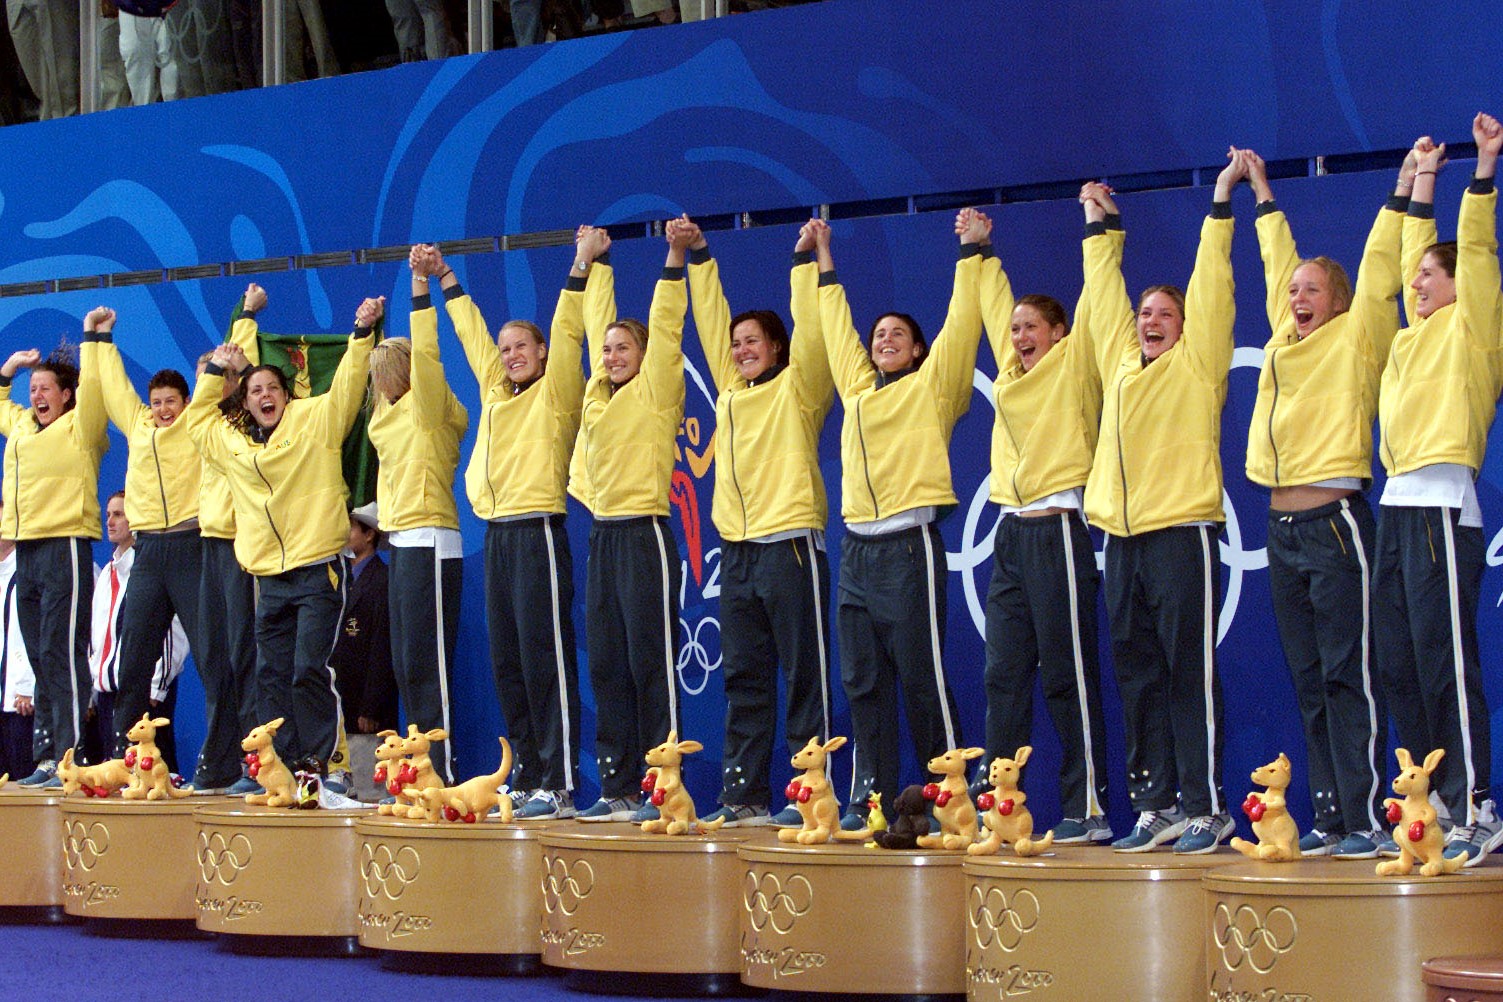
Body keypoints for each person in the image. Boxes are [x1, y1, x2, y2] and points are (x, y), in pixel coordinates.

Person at [1243, 149, 1407, 859]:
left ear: (1337, 301)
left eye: (1312, 290)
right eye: (1293, 292)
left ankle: (1369, 817)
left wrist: (1403, 194)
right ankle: (1334, 817)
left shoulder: (1355, 336)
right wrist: (1260, 195)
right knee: (1308, 680)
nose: (1298, 298)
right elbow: (1276, 260)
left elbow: (1376, 274)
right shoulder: (1283, 342)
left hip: (1335, 524)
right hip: (1280, 528)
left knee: (1348, 675)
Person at [1081, 151, 1242, 854]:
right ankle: (1155, 805)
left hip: (1180, 532)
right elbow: (1100, 296)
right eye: (1144, 312)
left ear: (1182, 325)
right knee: (1137, 673)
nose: (1149, 320)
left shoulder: (1196, 365)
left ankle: (1206, 805)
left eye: (1162, 313)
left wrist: (1219, 201)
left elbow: (1211, 287)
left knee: (1185, 671)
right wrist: (1099, 226)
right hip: (1120, 539)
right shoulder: (1118, 364)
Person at [816, 210, 986, 827]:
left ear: (917, 350)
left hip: (908, 546)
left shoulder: (934, 388)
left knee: (923, 680)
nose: (883, 339)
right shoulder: (860, 393)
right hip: (856, 553)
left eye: (897, 334)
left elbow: (962, 326)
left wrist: (972, 252)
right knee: (862, 686)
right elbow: (837, 334)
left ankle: (956, 800)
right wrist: (823, 258)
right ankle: (876, 804)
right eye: (878, 333)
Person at [1375, 114, 1503, 867]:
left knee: (1446, 666)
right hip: (1395, 508)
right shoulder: (1410, 333)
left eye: (1430, 274)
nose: (1416, 283)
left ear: (1459, 285)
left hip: (1441, 507)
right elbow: (1398, 261)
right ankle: (1435, 801)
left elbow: (1477, 250)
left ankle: (1480, 805)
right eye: (1416, 275)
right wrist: (1419, 177)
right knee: (1399, 664)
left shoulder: (1474, 329)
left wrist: (1481, 170)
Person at [423, 237, 586, 818]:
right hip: (497, 535)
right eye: (507, 348)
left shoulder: (558, 394)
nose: (511, 354)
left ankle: (561, 783)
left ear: (542, 353)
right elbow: (471, 334)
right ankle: (533, 773)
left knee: (545, 656)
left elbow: (569, 334)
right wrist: (444, 277)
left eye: (523, 346)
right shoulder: (496, 391)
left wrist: (579, 267)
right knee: (510, 659)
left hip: (538, 528)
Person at [185, 292, 377, 788]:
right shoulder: (232, 444)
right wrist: (214, 372)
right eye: (255, 390)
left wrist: (361, 335)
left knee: (309, 669)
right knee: (270, 677)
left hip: (317, 570)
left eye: (273, 386)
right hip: (267, 577)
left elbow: (348, 388)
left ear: (286, 395)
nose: (265, 395)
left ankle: (329, 768)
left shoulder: (315, 422)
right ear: (244, 402)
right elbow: (197, 421)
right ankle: (286, 769)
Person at [681, 215, 835, 828]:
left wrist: (808, 262)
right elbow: (712, 322)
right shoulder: (731, 391)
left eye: (755, 342)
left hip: (790, 546)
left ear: (777, 348)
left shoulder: (800, 389)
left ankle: (811, 797)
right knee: (744, 679)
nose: (742, 349)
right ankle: (743, 796)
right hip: (739, 552)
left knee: (803, 678)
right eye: (738, 343)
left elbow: (816, 334)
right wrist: (698, 256)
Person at [976, 197, 1111, 844]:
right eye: (1015, 328)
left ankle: (1086, 807)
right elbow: (990, 305)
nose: (1020, 335)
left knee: (1068, 676)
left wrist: (1096, 226)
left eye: (1032, 327)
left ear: (1058, 334)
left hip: (1058, 529)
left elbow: (1095, 299)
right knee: (1002, 674)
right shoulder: (1007, 380)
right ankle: (997, 807)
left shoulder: (1073, 365)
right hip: (1010, 532)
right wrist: (978, 250)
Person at [569, 224, 687, 822]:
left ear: (643, 358)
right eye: (609, 350)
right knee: (608, 663)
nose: (613, 356)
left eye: (624, 349)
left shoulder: (658, 391)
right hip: (604, 537)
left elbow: (666, 329)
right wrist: (595, 264)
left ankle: (661, 790)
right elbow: (593, 327)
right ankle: (616, 786)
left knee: (649, 662)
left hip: (646, 534)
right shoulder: (596, 396)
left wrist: (672, 257)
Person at [86, 308, 216, 781]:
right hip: (149, 553)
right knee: (133, 656)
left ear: (186, 403)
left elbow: (214, 382)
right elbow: (113, 382)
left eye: (171, 402)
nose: (163, 410)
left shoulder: (195, 424)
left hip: (190, 543)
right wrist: (97, 337)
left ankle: (222, 759)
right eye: (157, 401)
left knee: (210, 655)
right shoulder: (138, 424)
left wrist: (242, 319)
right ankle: (125, 758)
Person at [364, 265, 469, 786]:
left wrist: (420, 291)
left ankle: (441, 772)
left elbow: (428, 354)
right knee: (407, 665)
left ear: (408, 370)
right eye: (375, 374)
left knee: (430, 668)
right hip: (401, 540)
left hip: (432, 537)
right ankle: (415, 766)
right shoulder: (385, 414)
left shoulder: (432, 407)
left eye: (387, 371)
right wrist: (369, 329)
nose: (379, 382)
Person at [0, 334, 108, 787]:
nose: (37, 395)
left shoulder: (81, 427)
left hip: (65, 542)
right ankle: (46, 757)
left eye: (45, 388)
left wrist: (92, 338)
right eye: (33, 389)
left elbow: (97, 393)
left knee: (61, 654)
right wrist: (10, 368)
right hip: (27, 547)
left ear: (67, 395)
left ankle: (68, 755)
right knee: (42, 655)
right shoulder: (23, 427)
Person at [196, 288, 263, 795]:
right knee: (214, 658)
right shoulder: (204, 427)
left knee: (246, 655)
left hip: (244, 547)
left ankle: (254, 761)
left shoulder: (242, 423)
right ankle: (219, 759)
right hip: (210, 547)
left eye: (219, 375)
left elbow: (251, 379)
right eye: (207, 375)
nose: (211, 382)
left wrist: (245, 316)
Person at [87, 491, 189, 770]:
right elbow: (97, 636)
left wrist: (157, 683)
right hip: (108, 694)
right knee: (118, 774)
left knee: (156, 770)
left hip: (147, 693)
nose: (110, 522)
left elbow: (172, 631)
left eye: (118, 515)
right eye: (107, 515)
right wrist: (93, 687)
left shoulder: (149, 570)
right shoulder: (107, 573)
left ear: (135, 521)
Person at [329, 504, 398, 736]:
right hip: (340, 700)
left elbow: (383, 647)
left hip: (365, 707)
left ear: (369, 535)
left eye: (351, 529)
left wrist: (371, 707)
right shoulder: (338, 580)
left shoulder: (382, 580)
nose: (343, 535)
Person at [0, 499, 36, 780]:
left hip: (19, 702)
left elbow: (32, 635)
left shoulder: (28, 573)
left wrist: (26, 684)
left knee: (19, 781)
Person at [116, 0, 180, 105]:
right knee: (135, 53)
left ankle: (175, 111)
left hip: (169, 6)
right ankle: (144, 112)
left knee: (170, 55)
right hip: (131, 6)